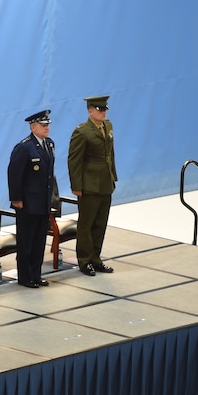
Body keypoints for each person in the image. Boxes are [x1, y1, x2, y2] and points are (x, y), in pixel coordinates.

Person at [67, 95, 118, 276]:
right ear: (90, 111)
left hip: (105, 183)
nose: (103, 112)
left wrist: (113, 176)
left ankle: (96, 258)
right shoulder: (82, 132)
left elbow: (110, 154)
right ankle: (84, 260)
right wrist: (76, 185)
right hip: (89, 185)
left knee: (100, 223)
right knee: (86, 225)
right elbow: (74, 160)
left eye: (104, 109)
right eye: (99, 109)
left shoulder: (108, 126)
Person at [7, 109, 55, 288]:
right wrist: (16, 199)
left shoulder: (49, 144)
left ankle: (36, 274)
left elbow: (49, 176)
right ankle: (25, 277)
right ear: (33, 127)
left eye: (47, 125)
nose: (47, 128)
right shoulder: (24, 147)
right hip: (27, 203)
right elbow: (14, 174)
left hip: (42, 202)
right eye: (43, 125)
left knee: (39, 241)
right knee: (26, 241)